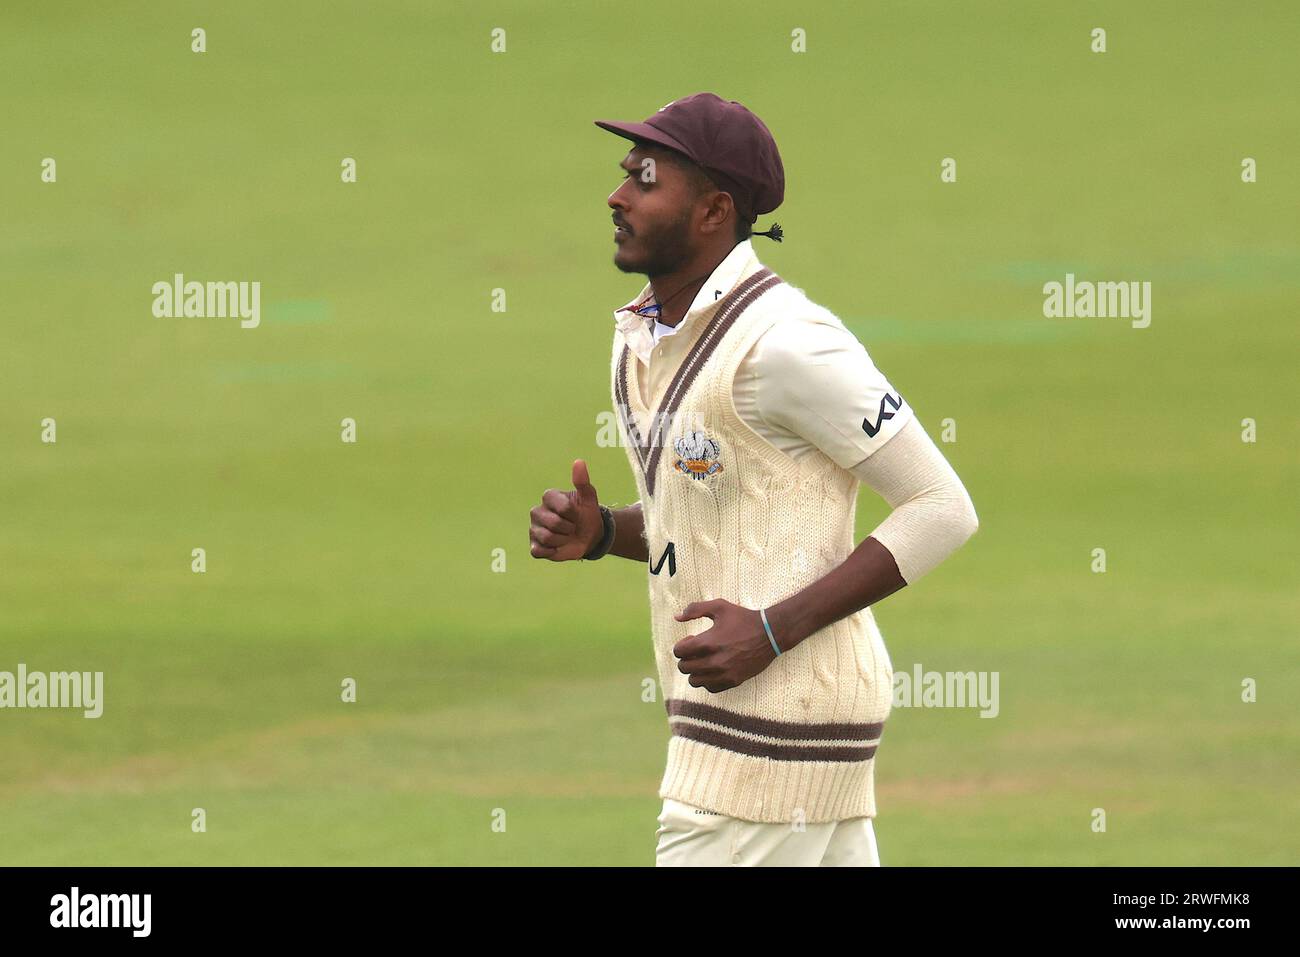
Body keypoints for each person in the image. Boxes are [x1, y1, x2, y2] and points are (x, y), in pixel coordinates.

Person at [529, 93, 979, 866]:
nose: (617, 194)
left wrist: (773, 631)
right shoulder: (645, 334)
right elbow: (723, 511)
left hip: (765, 741)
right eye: (624, 174)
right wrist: (605, 532)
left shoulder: (787, 344)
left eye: (645, 178)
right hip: (777, 732)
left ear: (713, 211)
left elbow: (942, 507)